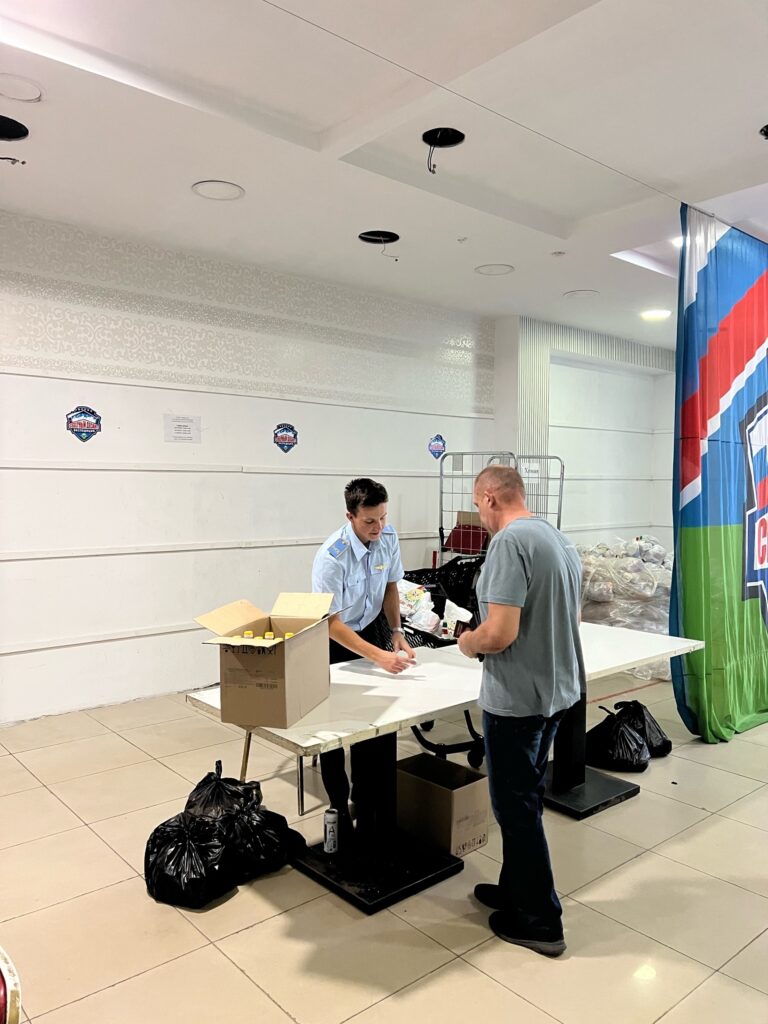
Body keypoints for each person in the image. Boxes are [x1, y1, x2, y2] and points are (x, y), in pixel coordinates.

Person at [457, 465, 583, 957]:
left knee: (515, 809)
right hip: (555, 692)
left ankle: (540, 920)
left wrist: (468, 642)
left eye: (477, 505)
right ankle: (515, 889)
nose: (479, 515)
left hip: (517, 702)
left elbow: (499, 633)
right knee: (524, 797)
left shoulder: (509, 543)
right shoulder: (555, 538)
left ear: (490, 498)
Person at [312, 477, 416, 840]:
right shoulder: (331, 557)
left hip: (371, 627)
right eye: (370, 521)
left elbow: (391, 586)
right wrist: (379, 657)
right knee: (335, 728)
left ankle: (370, 801)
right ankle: (339, 805)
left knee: (376, 718)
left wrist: (396, 632)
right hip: (334, 639)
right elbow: (332, 624)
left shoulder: (387, 537)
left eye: (383, 518)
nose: (379, 527)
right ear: (350, 516)